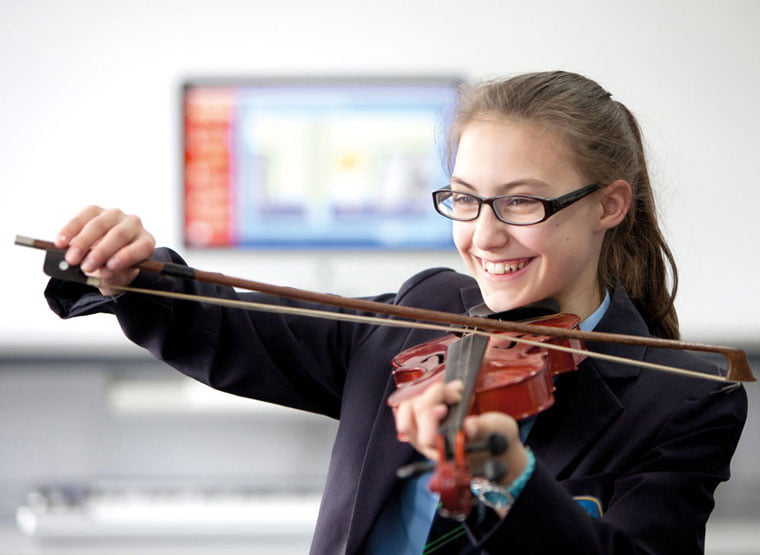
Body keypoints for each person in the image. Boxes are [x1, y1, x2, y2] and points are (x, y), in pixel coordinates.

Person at [44, 71, 747, 554]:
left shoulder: (684, 398)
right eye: (465, 199)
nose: (485, 234)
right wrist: (133, 271)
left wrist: (503, 472)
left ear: (609, 205)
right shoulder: (426, 310)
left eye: (523, 202)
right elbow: (239, 327)